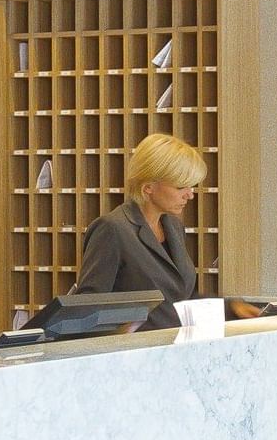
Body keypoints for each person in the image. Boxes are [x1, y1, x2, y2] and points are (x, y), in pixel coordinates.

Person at [72, 133, 206, 329]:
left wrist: (232, 307)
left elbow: (178, 296)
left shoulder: (173, 227)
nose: (190, 195)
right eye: (181, 187)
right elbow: (89, 306)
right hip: (134, 353)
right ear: (148, 188)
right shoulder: (112, 229)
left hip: (172, 350)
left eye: (191, 186)